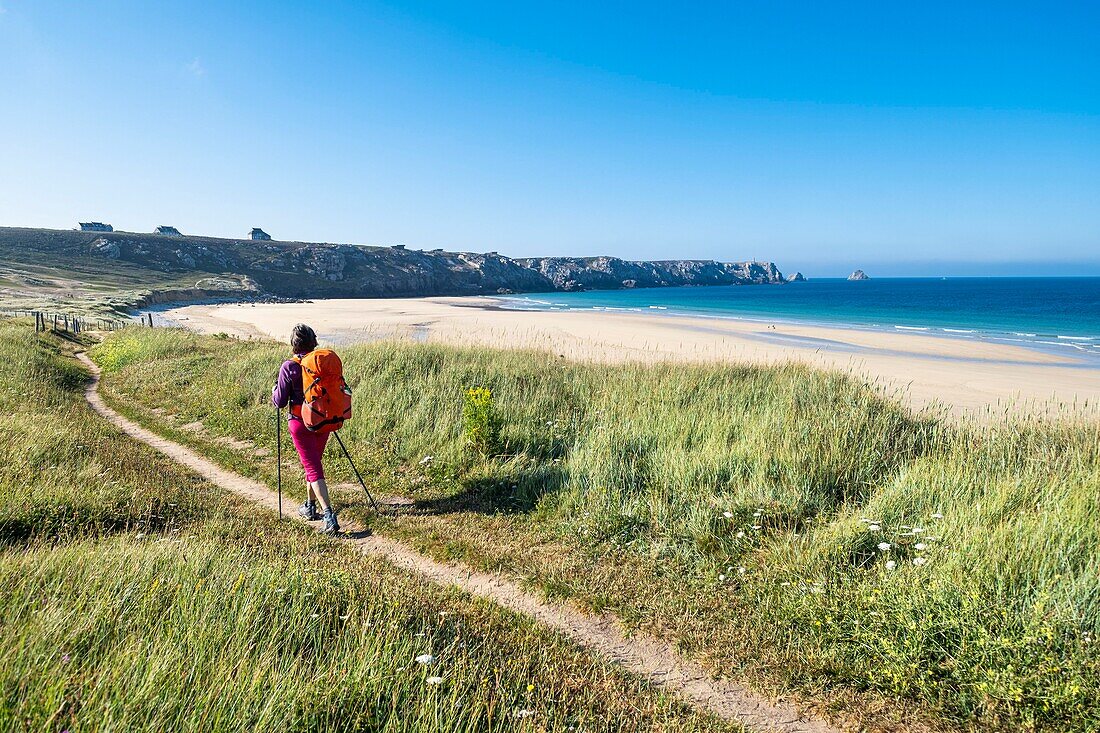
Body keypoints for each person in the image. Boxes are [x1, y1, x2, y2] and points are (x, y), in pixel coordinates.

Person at [272, 323, 339, 534]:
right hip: (323, 420)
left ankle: (329, 515)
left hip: (300, 423)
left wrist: (275, 390)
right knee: (313, 463)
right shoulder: (320, 364)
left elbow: (280, 402)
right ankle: (310, 507)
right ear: (313, 341)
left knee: (312, 467)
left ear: (294, 344)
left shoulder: (289, 367)